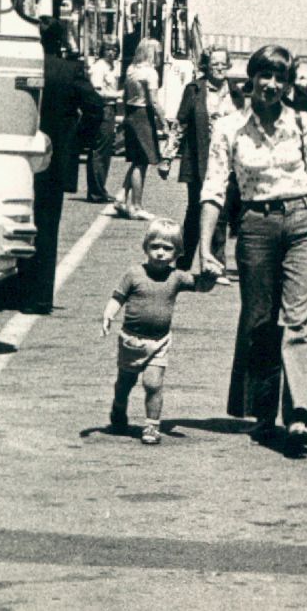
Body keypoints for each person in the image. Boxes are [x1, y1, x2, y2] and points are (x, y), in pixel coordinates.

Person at [197, 44, 307, 444]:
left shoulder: (304, 123)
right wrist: (205, 247)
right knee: (260, 321)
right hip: (255, 225)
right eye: (265, 76)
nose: (271, 85)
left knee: (300, 319)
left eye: (280, 79)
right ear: (251, 77)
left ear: (288, 85)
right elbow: (214, 189)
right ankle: (265, 413)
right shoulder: (229, 128)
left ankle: (302, 410)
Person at [102, 217, 215, 445]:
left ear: (178, 252)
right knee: (125, 382)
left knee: (153, 384)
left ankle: (152, 426)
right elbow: (118, 297)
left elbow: (201, 286)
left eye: (167, 248)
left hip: (159, 342)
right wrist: (108, 314)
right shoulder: (134, 274)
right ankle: (118, 407)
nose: (160, 253)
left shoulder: (177, 277)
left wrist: (210, 275)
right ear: (146, 247)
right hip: (131, 341)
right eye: (155, 247)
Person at [21, 17, 104, 314]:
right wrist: (77, 142)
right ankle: (39, 298)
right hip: (54, 156)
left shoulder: (20, 64)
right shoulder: (70, 70)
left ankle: (0, 291)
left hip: (14, 153)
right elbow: (96, 107)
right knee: (46, 224)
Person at [176, 47, 243, 278]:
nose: (220, 67)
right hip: (198, 159)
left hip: (227, 162)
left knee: (221, 211)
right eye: (215, 64)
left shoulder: (235, 92)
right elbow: (181, 124)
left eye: (224, 63)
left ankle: (217, 266)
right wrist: (167, 158)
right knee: (195, 210)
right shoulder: (194, 89)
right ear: (206, 66)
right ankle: (183, 263)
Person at [117, 37, 164, 220]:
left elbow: (124, 96)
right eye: (158, 52)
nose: (159, 56)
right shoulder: (150, 73)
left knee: (137, 159)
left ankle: (121, 196)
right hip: (143, 116)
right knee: (142, 162)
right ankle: (137, 205)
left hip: (131, 114)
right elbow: (153, 101)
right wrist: (164, 121)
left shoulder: (131, 70)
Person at [85, 43, 121, 203]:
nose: (112, 52)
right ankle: (96, 191)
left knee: (105, 151)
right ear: (102, 50)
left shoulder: (111, 66)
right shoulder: (100, 67)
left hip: (110, 108)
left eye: (115, 49)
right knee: (99, 150)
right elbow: (97, 91)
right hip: (103, 108)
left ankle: (100, 188)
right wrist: (117, 94)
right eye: (108, 49)